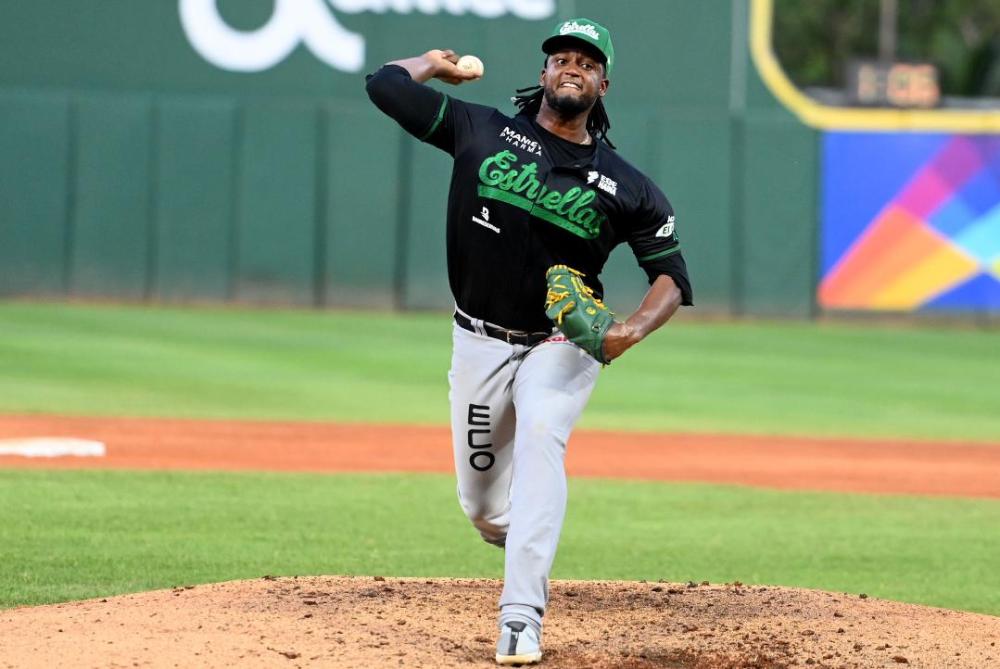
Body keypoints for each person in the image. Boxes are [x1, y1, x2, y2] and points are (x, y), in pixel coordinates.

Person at [366, 17, 693, 665]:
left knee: (543, 430)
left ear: (603, 83)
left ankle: (520, 618)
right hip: (479, 341)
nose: (572, 66)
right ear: (542, 74)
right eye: (561, 57)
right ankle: (527, 542)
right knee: (485, 508)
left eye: (586, 61)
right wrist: (434, 61)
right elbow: (385, 85)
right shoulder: (480, 129)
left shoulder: (627, 185)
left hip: (560, 342)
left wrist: (625, 331)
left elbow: (672, 279)